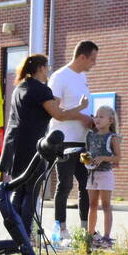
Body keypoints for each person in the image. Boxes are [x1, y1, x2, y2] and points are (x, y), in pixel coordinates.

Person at [0, 54, 88, 231]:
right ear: (40, 68)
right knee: (31, 192)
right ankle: (25, 234)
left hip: (14, 146)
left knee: (19, 190)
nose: (48, 71)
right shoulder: (41, 90)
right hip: (33, 147)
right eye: (46, 67)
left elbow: (54, 110)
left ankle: (16, 232)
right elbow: (59, 115)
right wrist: (80, 108)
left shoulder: (20, 88)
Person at [48, 40, 97, 240]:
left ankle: (85, 230)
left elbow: (83, 110)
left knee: (87, 185)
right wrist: (80, 116)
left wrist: (92, 120)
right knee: (65, 184)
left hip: (83, 142)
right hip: (65, 141)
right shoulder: (60, 77)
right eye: (92, 59)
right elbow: (55, 112)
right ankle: (61, 229)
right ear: (82, 56)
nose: (94, 63)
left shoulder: (83, 77)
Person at [84, 105, 121, 248]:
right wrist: (86, 159)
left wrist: (103, 158)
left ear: (110, 120)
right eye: (96, 116)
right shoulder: (90, 135)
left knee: (105, 205)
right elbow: (89, 153)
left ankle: (106, 237)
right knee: (92, 205)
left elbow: (118, 158)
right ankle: (90, 235)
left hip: (105, 174)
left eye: (101, 117)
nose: (97, 119)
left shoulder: (113, 138)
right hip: (92, 174)